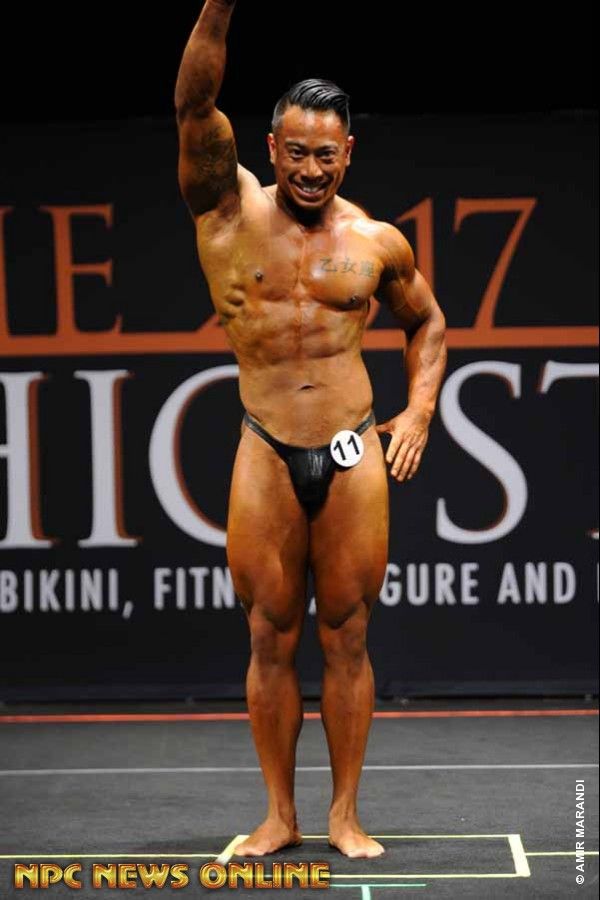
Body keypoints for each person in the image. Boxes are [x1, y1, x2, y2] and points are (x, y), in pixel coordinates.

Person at [174, 0, 447, 860]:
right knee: (269, 633)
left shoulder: (375, 242)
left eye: (326, 155)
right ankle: (279, 815)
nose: (310, 169)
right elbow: (194, 103)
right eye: (296, 152)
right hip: (265, 444)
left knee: (349, 634)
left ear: (348, 153)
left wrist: (420, 409)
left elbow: (428, 324)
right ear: (270, 148)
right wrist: (220, 5)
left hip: (351, 445)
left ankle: (345, 815)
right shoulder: (226, 210)